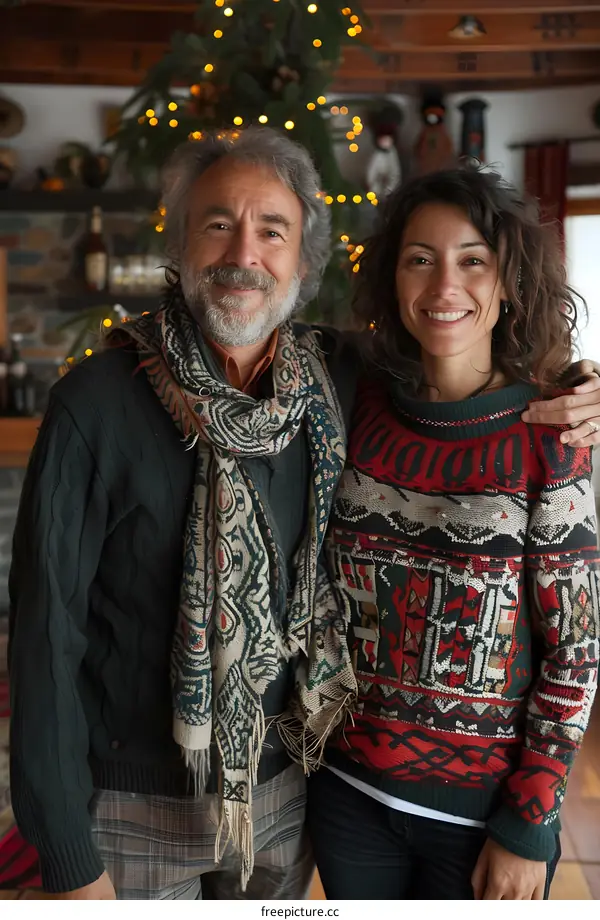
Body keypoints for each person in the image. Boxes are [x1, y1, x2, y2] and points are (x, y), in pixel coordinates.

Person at [7, 130, 600, 901]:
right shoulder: (94, 405)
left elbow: (464, 350)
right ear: (181, 243)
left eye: (273, 230)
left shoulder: (335, 379)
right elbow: (45, 636)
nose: (243, 252)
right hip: (132, 807)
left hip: (287, 794)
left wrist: (578, 381)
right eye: (217, 223)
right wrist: (65, 852)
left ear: (303, 262)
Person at [300, 166, 600, 900]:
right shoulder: (352, 395)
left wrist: (532, 819)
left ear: (508, 285)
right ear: (393, 280)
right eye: (420, 259)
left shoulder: (553, 430)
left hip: (480, 821)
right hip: (346, 796)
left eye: (473, 260)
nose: (444, 286)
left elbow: (576, 647)